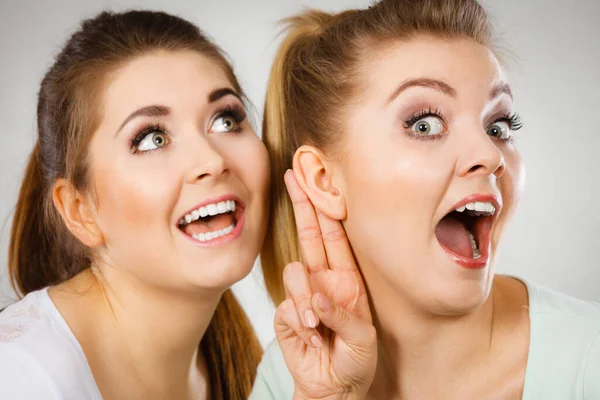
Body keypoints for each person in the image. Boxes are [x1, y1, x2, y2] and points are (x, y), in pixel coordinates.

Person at [252, 0, 600, 399]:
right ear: (325, 181)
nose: (489, 155)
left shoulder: (591, 360)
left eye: (498, 126)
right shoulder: (293, 376)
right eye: (425, 124)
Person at [0, 10, 270, 399]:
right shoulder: (23, 378)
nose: (212, 161)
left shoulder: (238, 366)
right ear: (80, 210)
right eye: (152, 139)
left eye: (225, 120)